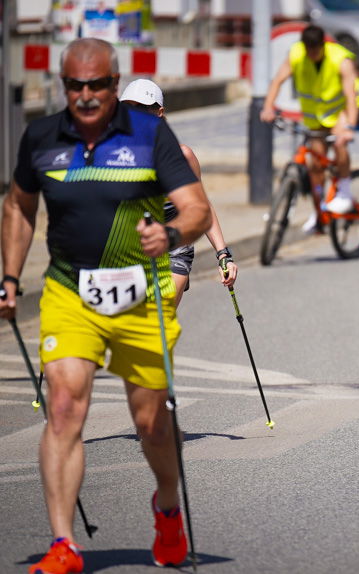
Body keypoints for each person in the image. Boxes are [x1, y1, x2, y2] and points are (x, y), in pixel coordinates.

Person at [0, 38, 211, 573]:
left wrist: (171, 230)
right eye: (76, 85)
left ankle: (167, 509)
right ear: (63, 85)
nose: (87, 95)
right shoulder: (42, 138)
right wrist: (8, 277)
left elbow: (198, 211)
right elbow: (19, 207)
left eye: (97, 85)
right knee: (66, 408)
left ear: (115, 85)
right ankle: (64, 544)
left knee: (151, 425)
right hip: (70, 292)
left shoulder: (151, 135)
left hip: (141, 294)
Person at [120, 79, 238, 305]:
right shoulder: (113, 157)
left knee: (159, 319)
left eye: (142, 109)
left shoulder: (181, 157)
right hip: (129, 250)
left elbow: (202, 207)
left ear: (159, 113)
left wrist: (224, 255)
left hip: (174, 250)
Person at [260, 24, 359, 233]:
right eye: (309, 50)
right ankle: (319, 210)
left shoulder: (340, 59)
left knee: (339, 142)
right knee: (315, 163)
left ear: (323, 46)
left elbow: (350, 96)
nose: (312, 55)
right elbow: (278, 80)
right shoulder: (297, 54)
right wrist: (267, 107)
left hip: (343, 110)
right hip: (315, 115)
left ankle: (343, 192)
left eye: (316, 50)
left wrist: (349, 127)